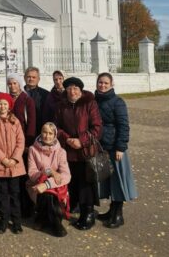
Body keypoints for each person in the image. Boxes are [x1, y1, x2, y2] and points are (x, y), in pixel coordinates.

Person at [55, 77, 102, 230]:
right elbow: (56, 127)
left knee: (86, 183)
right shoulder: (61, 106)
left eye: (75, 88)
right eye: (69, 88)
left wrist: (81, 141)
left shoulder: (89, 103)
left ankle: (88, 213)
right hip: (68, 151)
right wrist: (68, 139)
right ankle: (74, 207)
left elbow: (97, 128)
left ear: (81, 90)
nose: (72, 91)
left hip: (85, 152)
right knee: (72, 181)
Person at [95, 72, 138, 228]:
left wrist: (120, 147)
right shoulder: (94, 101)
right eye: (100, 82)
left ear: (112, 84)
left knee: (118, 181)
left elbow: (123, 126)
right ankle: (111, 210)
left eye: (106, 83)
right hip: (101, 147)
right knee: (108, 180)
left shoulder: (117, 102)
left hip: (115, 148)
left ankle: (118, 215)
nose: (103, 85)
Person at [0, 93, 25, 234]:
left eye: (5, 104)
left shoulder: (15, 121)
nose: (2, 106)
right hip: (0, 165)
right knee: (2, 194)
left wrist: (14, 159)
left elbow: (21, 141)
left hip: (15, 165)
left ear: (9, 106)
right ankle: (3, 221)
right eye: (0, 104)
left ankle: (16, 222)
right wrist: (3, 159)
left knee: (15, 194)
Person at [27, 122, 71, 237]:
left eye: (50, 133)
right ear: (41, 133)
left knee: (48, 193)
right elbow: (32, 173)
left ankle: (44, 219)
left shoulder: (61, 152)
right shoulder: (33, 149)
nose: (47, 136)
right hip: (36, 183)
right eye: (45, 132)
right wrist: (49, 171)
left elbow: (66, 175)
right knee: (46, 193)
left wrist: (47, 184)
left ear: (55, 135)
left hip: (55, 186)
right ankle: (54, 222)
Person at [9, 73, 36, 218]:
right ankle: (15, 207)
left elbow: (31, 123)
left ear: (19, 84)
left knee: (25, 178)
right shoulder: (8, 99)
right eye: (10, 84)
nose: (12, 86)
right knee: (14, 179)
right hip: (9, 145)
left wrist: (28, 144)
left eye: (15, 83)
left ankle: (28, 208)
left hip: (24, 144)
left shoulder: (27, 100)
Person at [24, 67, 50, 137]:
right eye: (28, 77)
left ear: (38, 79)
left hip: (39, 131)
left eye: (34, 77)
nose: (31, 79)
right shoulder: (19, 93)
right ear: (24, 78)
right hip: (21, 131)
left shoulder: (46, 94)